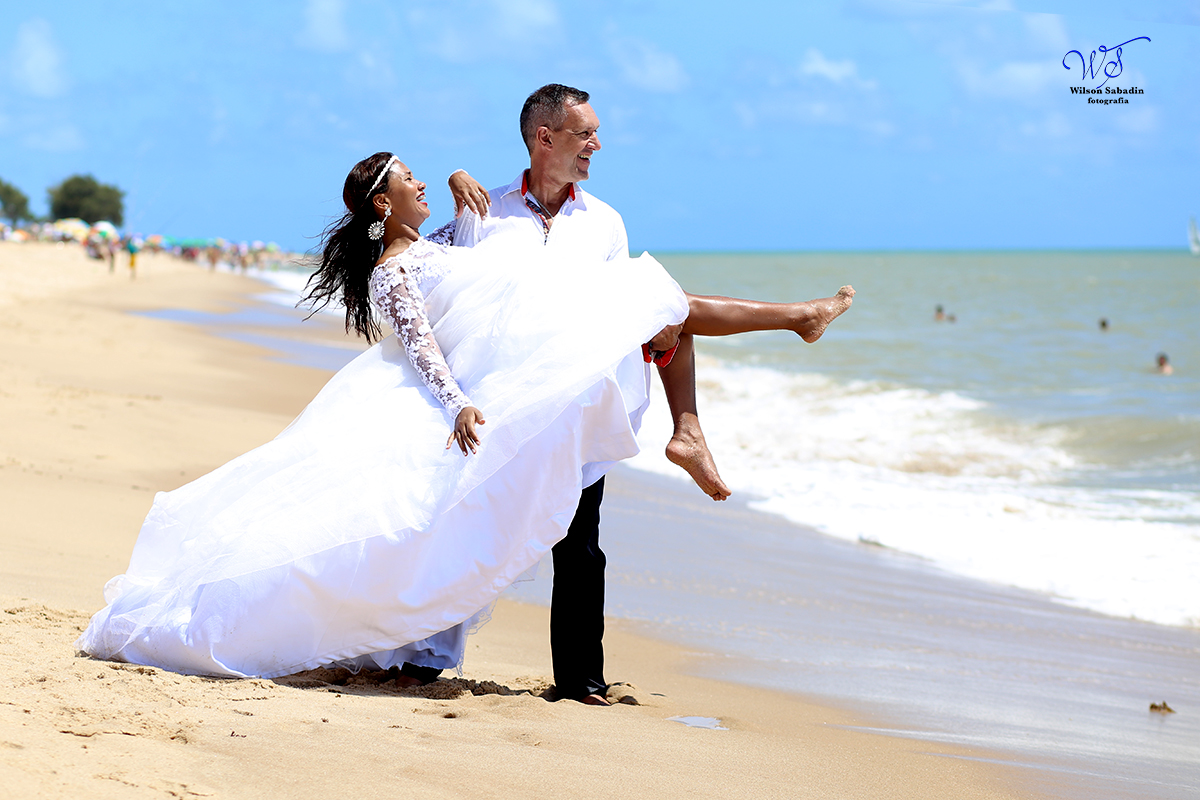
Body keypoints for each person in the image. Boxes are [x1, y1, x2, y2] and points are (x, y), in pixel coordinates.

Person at [76, 153, 692, 680]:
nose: (418, 184)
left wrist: (454, 179)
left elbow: (468, 248)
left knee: (423, 528)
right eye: (409, 179)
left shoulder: (427, 245)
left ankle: (420, 646)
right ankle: (403, 643)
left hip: (471, 387)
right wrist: (458, 406)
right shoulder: (392, 271)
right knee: (396, 526)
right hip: (428, 403)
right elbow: (420, 344)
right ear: (380, 203)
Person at [439, 84, 853, 704]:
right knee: (463, 529)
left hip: (575, 397)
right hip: (498, 404)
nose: (597, 145)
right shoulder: (483, 211)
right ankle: (416, 655)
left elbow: (609, 308)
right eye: (585, 134)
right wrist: (453, 177)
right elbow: (422, 269)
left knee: (580, 544)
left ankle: (581, 681)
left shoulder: (603, 221)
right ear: (544, 137)